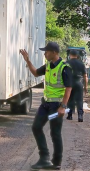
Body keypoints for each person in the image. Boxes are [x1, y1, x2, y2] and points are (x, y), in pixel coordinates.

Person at [20, 42, 73, 170]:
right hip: (45, 104)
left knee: (55, 133)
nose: (45, 54)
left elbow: (69, 88)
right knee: (36, 127)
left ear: (54, 52)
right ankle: (44, 158)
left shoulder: (64, 67)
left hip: (57, 105)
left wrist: (63, 106)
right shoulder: (48, 65)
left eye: (47, 51)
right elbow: (36, 73)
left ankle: (56, 162)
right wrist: (27, 60)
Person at [66, 50, 88, 122]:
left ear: (70, 55)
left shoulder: (67, 63)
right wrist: (85, 86)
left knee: (70, 99)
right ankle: (80, 115)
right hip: (79, 83)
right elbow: (85, 76)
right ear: (77, 55)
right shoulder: (81, 64)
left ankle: (70, 115)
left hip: (70, 83)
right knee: (79, 100)